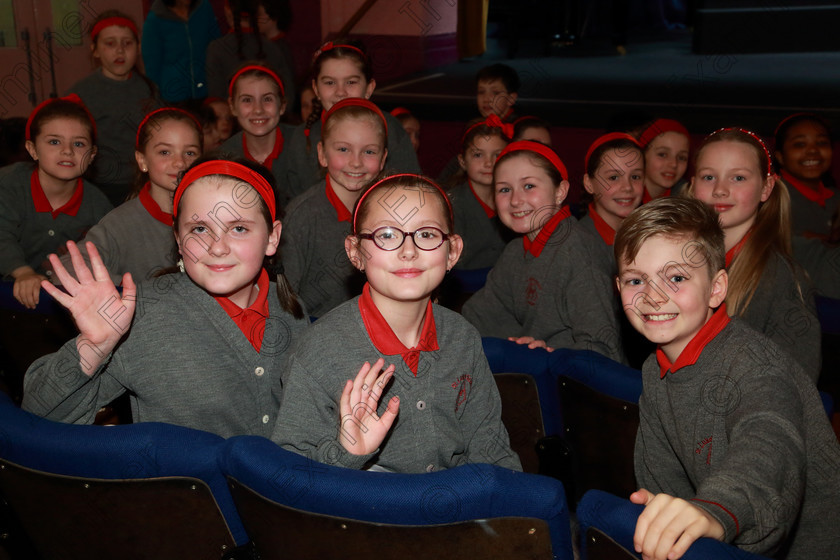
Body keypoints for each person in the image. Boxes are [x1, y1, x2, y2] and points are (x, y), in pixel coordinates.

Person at [614, 196, 840, 560]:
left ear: (717, 288)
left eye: (676, 278)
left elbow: (769, 442)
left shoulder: (754, 366)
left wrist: (714, 510)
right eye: (636, 280)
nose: (652, 297)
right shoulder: (654, 370)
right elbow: (661, 477)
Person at [22, 157, 309, 438]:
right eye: (199, 229)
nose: (217, 247)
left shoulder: (292, 311)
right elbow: (37, 416)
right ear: (178, 239)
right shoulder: (143, 316)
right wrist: (92, 347)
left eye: (238, 228)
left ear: (272, 237)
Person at [273, 173, 521, 473]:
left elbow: (491, 449)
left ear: (452, 251)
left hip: (458, 514)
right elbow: (291, 475)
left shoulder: (462, 338)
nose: (408, 251)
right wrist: (346, 453)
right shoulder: (319, 351)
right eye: (387, 235)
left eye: (427, 234)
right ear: (355, 253)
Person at [461, 141, 624, 362]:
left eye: (529, 186)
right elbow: (479, 317)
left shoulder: (578, 251)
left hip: (582, 389)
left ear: (560, 191)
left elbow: (601, 348)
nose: (516, 200)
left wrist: (551, 353)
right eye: (504, 189)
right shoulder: (515, 251)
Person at [687, 128, 821, 382]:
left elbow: (795, 385)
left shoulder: (783, 280)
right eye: (708, 177)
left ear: (766, 188)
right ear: (692, 186)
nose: (720, 190)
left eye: (738, 178)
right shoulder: (676, 262)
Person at [55, 107, 202, 285]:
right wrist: (134, 291)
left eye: (190, 153)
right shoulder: (121, 224)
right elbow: (69, 267)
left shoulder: (215, 216)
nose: (179, 162)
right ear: (142, 160)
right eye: (165, 152)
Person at [0, 96, 111, 309]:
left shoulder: (99, 207)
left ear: (92, 155)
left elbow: (106, 255)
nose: (67, 151)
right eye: (54, 141)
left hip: (60, 307)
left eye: (78, 143)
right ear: (32, 149)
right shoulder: (8, 184)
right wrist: (22, 272)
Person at [281, 98, 388, 318]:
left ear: (383, 158)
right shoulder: (301, 217)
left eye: (369, 152)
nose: (356, 162)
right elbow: (284, 301)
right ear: (322, 154)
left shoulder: (391, 212)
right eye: (343, 149)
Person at [283, 40, 420, 198]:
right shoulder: (302, 138)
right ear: (316, 89)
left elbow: (412, 190)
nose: (340, 92)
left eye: (351, 82)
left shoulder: (391, 129)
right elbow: (294, 199)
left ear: (369, 88)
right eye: (329, 82)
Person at [66, 10, 161, 206]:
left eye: (127, 43)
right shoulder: (81, 94)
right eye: (110, 44)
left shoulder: (149, 89)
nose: (120, 50)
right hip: (102, 188)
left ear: (138, 47)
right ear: (95, 50)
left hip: (146, 182)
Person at [219, 64, 296, 205]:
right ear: (232, 106)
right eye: (247, 100)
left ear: (283, 105)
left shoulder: (305, 147)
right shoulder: (223, 159)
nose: (258, 109)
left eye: (267, 99)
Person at [448, 114, 514, 271]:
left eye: (497, 155)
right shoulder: (452, 203)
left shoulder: (516, 199)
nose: (488, 162)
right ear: (463, 161)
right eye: (478, 155)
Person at [205, 0, 296, 109]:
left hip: (232, 120)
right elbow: (288, 95)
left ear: (228, 11)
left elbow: (216, 96)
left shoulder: (217, 48)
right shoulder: (272, 47)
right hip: (270, 118)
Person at [579, 132, 645, 264]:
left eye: (635, 177)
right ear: (589, 184)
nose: (627, 187)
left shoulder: (649, 236)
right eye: (613, 177)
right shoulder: (579, 245)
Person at [773, 112, 839, 241]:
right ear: (780, 156)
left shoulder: (835, 197)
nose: (813, 150)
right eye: (800, 144)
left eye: (821, 143)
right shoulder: (771, 199)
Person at [141, 0, 220, 102]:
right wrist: (156, 99)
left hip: (206, 91)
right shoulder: (155, 19)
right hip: (173, 97)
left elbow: (216, 46)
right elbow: (152, 67)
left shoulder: (204, 7)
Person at [637, 118, 690, 201]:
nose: (674, 164)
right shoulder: (622, 197)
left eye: (681, 158)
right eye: (662, 154)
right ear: (642, 155)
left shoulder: (688, 200)